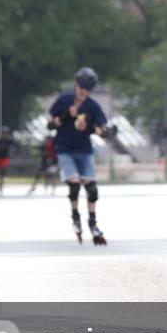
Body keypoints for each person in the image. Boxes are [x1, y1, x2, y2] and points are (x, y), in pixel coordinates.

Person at [47, 67, 116, 245]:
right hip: (64, 149)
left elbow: (102, 130)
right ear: (76, 85)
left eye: (88, 88)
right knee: (75, 184)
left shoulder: (92, 106)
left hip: (84, 150)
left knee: (92, 188)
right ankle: (76, 218)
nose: (84, 91)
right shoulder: (64, 100)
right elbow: (50, 124)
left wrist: (91, 128)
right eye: (82, 87)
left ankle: (93, 223)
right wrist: (65, 116)